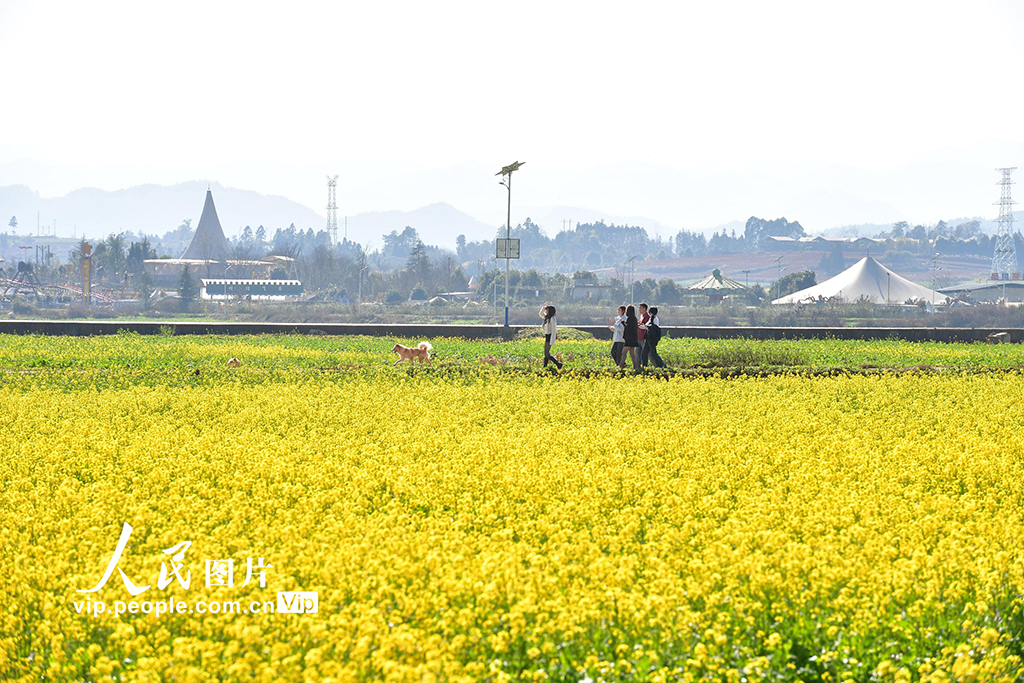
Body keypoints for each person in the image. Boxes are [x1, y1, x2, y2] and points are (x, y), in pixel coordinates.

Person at [539, 305, 563, 369]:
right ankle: (545, 366)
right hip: (547, 336)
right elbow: (540, 314)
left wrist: (552, 340)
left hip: (550, 336)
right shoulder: (546, 318)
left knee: (546, 353)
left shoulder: (552, 319)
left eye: (547, 310)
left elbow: (554, 330)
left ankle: (558, 364)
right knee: (546, 353)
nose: (546, 311)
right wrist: (544, 308)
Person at [622, 305, 640, 371]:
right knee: (632, 354)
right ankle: (636, 367)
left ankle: (621, 366)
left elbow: (628, 328)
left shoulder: (630, 318)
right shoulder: (635, 318)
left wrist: (623, 323)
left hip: (629, 339)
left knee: (624, 353)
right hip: (634, 339)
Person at [637, 303, 651, 367]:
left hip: (644, 338)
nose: (639, 309)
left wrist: (639, 325)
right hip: (638, 337)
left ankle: (644, 366)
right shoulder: (641, 316)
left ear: (644, 309)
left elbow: (645, 326)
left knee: (644, 354)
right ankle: (638, 367)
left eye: (640, 308)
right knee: (637, 354)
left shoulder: (647, 316)